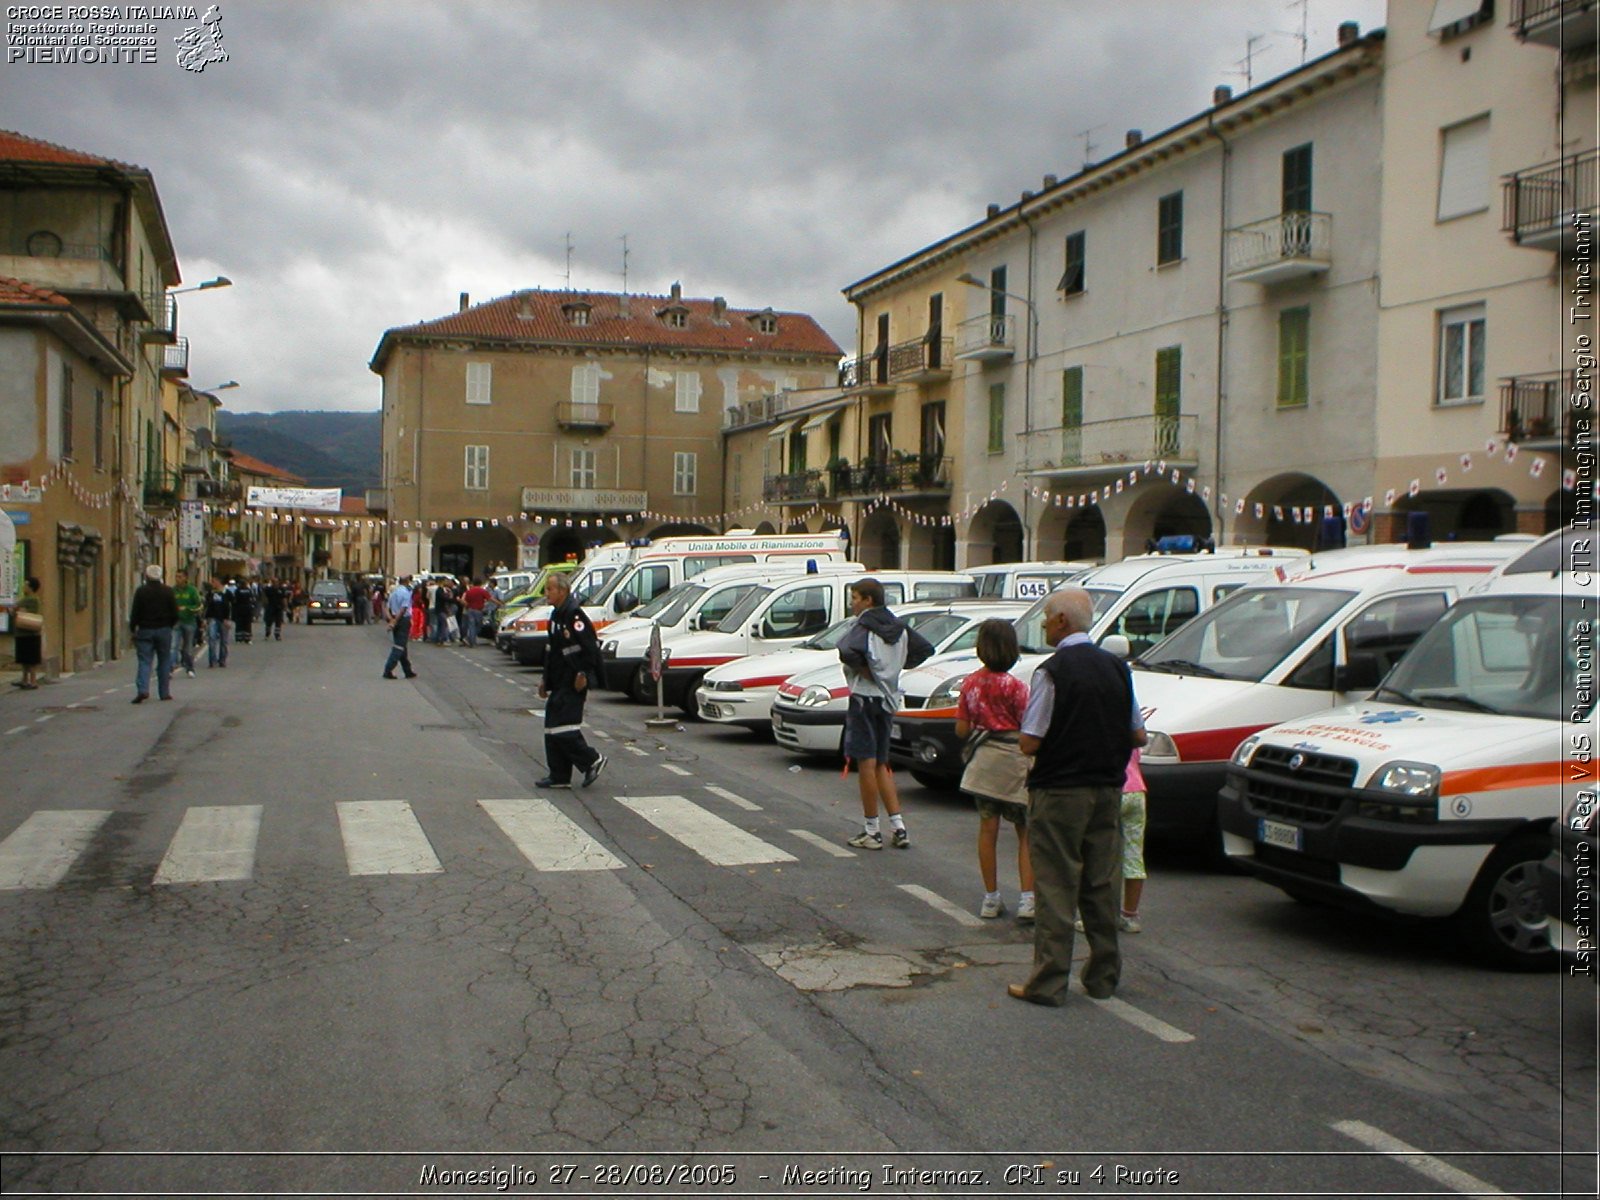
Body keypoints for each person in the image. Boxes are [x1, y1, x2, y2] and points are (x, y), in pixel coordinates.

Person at [1009, 587, 1145, 1007]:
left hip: (1060, 789)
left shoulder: (1052, 671)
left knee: (1055, 884)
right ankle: (1103, 974)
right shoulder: (1116, 668)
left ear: (1063, 622)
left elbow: (1031, 741)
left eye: (1048, 617)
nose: (1046, 624)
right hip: (1108, 786)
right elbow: (1137, 732)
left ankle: (1048, 981)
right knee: (1101, 883)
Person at [837, 577, 934, 850]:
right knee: (882, 763)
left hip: (864, 698)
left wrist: (866, 669)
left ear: (868, 600)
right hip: (888, 699)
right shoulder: (899, 626)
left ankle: (871, 830)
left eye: (855, 598)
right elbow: (925, 649)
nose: (852, 603)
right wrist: (897, 666)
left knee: (866, 764)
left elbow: (845, 649)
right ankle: (898, 826)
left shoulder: (864, 624)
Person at [956, 618, 1035, 921]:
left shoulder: (970, 684)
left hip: (985, 765)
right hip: (1015, 763)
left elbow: (962, 729)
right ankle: (1028, 899)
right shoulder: (1017, 687)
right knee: (1025, 832)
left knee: (987, 829)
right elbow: (1030, 728)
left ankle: (991, 898)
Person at [536, 572, 607, 789]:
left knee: (563, 727)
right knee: (551, 727)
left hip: (574, 679)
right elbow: (553, 652)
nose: (546, 593)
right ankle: (559, 775)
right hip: (558, 679)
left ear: (563, 591)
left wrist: (584, 674)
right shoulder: (557, 615)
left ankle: (591, 760)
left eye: (550, 589)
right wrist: (545, 680)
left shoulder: (574, 616)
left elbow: (589, 647)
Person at [130, 563, 179, 703]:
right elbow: (175, 613)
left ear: (146, 576)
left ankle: (143, 690)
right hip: (164, 630)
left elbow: (135, 612)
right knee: (164, 661)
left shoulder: (141, 591)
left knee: (145, 661)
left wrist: (133, 629)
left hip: (145, 630)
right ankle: (164, 693)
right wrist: (169, 625)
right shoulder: (168, 591)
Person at [382, 574, 419, 680]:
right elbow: (403, 609)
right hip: (402, 619)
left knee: (402, 646)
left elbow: (387, 607)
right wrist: (395, 621)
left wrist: (391, 620)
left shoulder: (394, 592)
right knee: (399, 646)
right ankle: (388, 669)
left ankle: (408, 670)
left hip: (394, 616)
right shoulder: (406, 593)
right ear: (407, 582)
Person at [11, 576, 43, 689]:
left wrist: (17, 610)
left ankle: (32, 681)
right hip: (25, 633)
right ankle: (25, 680)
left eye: (26, 585)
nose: (24, 587)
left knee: (30, 658)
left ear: (31, 587)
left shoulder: (31, 599)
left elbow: (19, 610)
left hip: (28, 632)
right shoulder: (30, 598)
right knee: (25, 658)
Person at [172, 569, 202, 678]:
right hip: (176, 622)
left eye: (180, 577)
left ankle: (190, 668)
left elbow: (199, 605)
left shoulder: (192, 590)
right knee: (173, 645)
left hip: (189, 622)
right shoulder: (173, 590)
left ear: (185, 578)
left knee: (187, 648)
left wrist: (188, 608)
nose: (177, 579)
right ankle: (171, 667)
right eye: (176, 576)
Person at [203, 578, 232, 668]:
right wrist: (204, 619)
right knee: (212, 639)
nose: (212, 584)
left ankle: (222, 660)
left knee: (224, 641)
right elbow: (207, 606)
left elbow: (231, 606)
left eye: (213, 582)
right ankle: (212, 661)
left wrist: (228, 619)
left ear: (219, 582)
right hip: (212, 618)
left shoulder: (227, 593)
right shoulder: (210, 594)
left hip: (224, 619)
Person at [461, 577, 491, 647]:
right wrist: (499, 603)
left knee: (471, 626)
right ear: (480, 583)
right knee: (478, 625)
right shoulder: (482, 591)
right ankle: (470, 639)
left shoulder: (469, 591)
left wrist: (467, 605)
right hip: (478, 610)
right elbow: (490, 598)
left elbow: (464, 600)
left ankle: (471, 641)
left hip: (470, 610)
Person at [231, 578, 255, 644]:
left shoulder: (237, 590)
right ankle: (248, 639)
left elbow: (234, 601)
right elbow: (252, 599)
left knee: (239, 624)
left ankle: (239, 639)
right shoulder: (249, 590)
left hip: (239, 609)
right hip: (248, 609)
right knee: (247, 624)